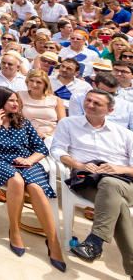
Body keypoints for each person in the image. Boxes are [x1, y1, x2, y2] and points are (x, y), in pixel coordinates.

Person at [0, 87, 65, 271]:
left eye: (17, 100)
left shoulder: (23, 122)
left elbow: (41, 149)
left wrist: (28, 160)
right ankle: (14, 230)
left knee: (36, 188)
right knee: (16, 181)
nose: (16, 104)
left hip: (26, 161)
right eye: (11, 101)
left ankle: (53, 240)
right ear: (0, 102)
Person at [51, 89, 133, 275]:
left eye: (97, 103)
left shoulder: (125, 134)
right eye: (88, 100)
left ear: (110, 110)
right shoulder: (68, 124)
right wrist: (78, 164)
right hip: (87, 182)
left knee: (110, 184)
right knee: (116, 204)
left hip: (124, 183)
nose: (90, 105)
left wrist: (119, 169)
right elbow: (56, 150)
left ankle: (95, 242)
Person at [18, 69, 64, 139]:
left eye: (38, 82)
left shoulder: (56, 100)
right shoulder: (20, 96)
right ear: (27, 81)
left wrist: (49, 135)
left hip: (51, 135)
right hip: (26, 133)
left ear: (45, 85)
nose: (34, 84)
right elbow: (16, 118)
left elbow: (63, 123)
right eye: (31, 81)